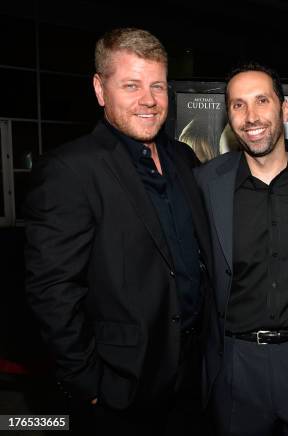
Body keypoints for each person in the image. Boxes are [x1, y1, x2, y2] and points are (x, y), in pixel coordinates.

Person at [23, 28, 212, 435]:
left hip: (194, 379)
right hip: (123, 389)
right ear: (99, 88)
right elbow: (52, 291)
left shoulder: (183, 158)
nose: (149, 100)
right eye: (131, 85)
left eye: (157, 86)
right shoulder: (70, 170)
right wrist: (88, 385)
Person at [194, 62, 288, 435]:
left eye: (262, 100)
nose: (251, 116)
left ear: (284, 109)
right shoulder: (204, 183)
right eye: (238, 104)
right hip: (236, 364)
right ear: (228, 117)